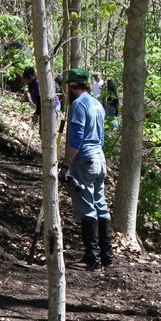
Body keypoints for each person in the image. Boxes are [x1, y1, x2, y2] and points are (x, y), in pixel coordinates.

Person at [58, 68, 114, 270]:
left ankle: (92, 257)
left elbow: (76, 137)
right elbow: (101, 137)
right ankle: (106, 255)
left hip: (85, 160)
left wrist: (66, 165)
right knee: (100, 204)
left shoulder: (78, 105)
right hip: (99, 158)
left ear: (73, 86)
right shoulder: (97, 104)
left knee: (87, 207)